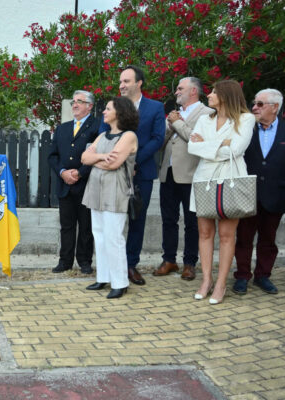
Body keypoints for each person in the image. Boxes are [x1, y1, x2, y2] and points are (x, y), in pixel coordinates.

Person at [187, 80, 255, 305]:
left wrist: (207, 143)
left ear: (225, 95)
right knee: (204, 233)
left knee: (227, 235)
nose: (209, 95)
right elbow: (192, 147)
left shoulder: (245, 119)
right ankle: (206, 280)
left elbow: (236, 149)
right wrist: (220, 143)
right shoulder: (205, 119)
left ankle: (221, 284)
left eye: (214, 92)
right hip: (204, 179)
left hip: (230, 179)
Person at [233, 89, 285, 295]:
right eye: (254, 103)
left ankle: (263, 276)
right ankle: (242, 277)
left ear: (275, 107)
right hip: (247, 194)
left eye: (260, 104)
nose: (254, 107)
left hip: (277, 195)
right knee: (244, 239)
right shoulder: (244, 129)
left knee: (268, 240)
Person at [101, 66, 166, 286]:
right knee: (111, 219)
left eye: (126, 81)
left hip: (142, 172)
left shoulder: (156, 107)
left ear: (139, 83)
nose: (121, 85)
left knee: (137, 219)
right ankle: (112, 266)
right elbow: (105, 135)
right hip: (114, 173)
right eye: (120, 81)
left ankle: (130, 264)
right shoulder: (114, 107)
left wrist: (134, 161)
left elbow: (158, 139)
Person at [154, 77, 213, 281]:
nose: (176, 92)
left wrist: (176, 123)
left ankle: (190, 263)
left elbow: (196, 139)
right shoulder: (173, 115)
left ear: (194, 91)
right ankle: (169, 259)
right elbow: (159, 144)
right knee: (168, 220)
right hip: (167, 173)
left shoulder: (207, 114)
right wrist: (171, 125)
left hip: (191, 174)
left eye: (180, 88)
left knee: (192, 223)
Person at [81, 97, 139, 299]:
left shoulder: (129, 136)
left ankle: (120, 282)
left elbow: (113, 164)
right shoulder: (103, 135)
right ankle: (103, 277)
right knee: (99, 233)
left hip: (116, 189)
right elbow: (84, 158)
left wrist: (95, 159)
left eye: (108, 109)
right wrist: (100, 158)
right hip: (96, 188)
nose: (104, 112)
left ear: (120, 112)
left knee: (114, 236)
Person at [48, 90, 99, 275]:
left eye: (80, 101)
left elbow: (97, 155)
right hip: (65, 185)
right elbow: (52, 156)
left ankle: (84, 261)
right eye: (73, 102)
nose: (75, 105)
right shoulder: (62, 128)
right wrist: (63, 173)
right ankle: (65, 261)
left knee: (86, 226)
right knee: (66, 226)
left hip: (86, 185)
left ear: (90, 106)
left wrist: (79, 173)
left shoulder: (97, 127)